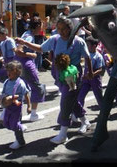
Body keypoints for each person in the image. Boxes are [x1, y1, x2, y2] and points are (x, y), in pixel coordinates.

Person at [15, 16, 94, 144]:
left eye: (64, 29)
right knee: (71, 101)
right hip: (59, 75)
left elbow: (87, 57)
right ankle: (85, 121)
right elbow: (41, 48)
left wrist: (89, 72)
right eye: (59, 28)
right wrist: (24, 43)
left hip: (72, 76)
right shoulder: (55, 39)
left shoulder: (78, 41)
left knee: (65, 102)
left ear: (70, 28)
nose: (61, 31)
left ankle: (63, 133)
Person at [14, 17, 47, 122]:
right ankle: (33, 114)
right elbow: (18, 50)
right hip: (26, 64)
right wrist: (32, 54)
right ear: (37, 26)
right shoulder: (28, 37)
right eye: (41, 26)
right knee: (37, 88)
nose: (41, 28)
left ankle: (8, 114)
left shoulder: (26, 34)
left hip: (20, 64)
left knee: (20, 87)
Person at [0, 61, 31, 149]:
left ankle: (20, 142)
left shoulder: (20, 83)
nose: (8, 73)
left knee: (15, 124)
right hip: (7, 106)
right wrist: (0, 100)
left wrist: (29, 106)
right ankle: (20, 127)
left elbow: (26, 94)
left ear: (17, 72)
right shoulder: (6, 82)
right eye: (7, 71)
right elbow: (3, 93)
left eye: (11, 71)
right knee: (6, 123)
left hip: (16, 107)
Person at [77, 36, 105, 110]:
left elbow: (100, 69)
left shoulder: (98, 56)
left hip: (95, 79)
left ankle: (104, 112)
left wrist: (92, 74)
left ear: (94, 46)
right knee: (81, 95)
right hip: (86, 79)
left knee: (99, 97)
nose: (86, 47)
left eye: (88, 45)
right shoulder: (86, 54)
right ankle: (78, 113)